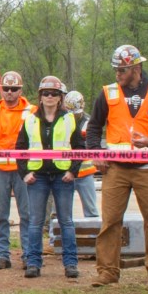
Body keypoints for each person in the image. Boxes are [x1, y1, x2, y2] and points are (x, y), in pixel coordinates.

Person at [87, 44, 148, 286]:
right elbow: (94, 127)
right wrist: (96, 152)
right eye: (116, 69)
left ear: (136, 68)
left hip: (147, 169)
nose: (117, 74)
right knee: (110, 221)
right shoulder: (107, 93)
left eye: (122, 70)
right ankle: (107, 270)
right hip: (115, 169)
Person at [15, 75, 82, 278]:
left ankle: (70, 263)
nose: (50, 97)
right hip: (38, 178)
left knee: (66, 222)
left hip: (63, 177)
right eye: (46, 93)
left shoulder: (69, 119)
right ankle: (33, 262)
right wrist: (25, 173)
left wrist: (73, 171)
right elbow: (20, 149)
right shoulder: (30, 120)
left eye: (54, 93)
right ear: (40, 96)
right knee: (35, 221)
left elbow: (80, 148)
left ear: (60, 97)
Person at [0, 71, 34, 270]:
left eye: (14, 89)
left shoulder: (31, 112)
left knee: (28, 214)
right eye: (6, 89)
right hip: (0, 170)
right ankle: (2, 254)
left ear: (20, 90)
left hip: (25, 171)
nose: (10, 93)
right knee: (0, 214)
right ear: (1, 90)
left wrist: (33, 168)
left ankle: (29, 254)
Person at [64, 89, 98, 220]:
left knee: (91, 210)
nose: (74, 116)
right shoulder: (62, 121)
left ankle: (93, 237)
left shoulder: (89, 123)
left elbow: (89, 145)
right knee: (61, 210)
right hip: (65, 172)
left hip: (85, 173)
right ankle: (55, 238)